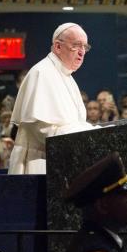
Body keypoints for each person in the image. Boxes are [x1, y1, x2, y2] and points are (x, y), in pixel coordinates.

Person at [9, 23, 95, 174]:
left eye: (85, 47)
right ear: (58, 46)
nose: (82, 52)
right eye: (76, 45)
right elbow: (44, 130)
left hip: (60, 163)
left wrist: (92, 132)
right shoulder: (42, 73)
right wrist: (92, 133)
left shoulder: (67, 77)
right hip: (39, 165)